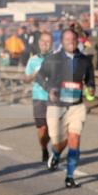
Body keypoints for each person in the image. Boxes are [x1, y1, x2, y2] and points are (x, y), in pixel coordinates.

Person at [38, 28, 96, 188]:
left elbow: (90, 80)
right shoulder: (53, 59)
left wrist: (91, 88)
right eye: (67, 39)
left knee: (74, 139)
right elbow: (40, 76)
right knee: (58, 142)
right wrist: (49, 89)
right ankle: (55, 154)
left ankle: (69, 177)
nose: (70, 41)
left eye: (73, 39)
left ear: (77, 41)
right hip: (56, 107)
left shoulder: (85, 60)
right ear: (62, 42)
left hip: (76, 106)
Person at [23, 32, 55, 162]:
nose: (45, 44)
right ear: (39, 43)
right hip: (39, 97)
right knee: (42, 128)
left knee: (53, 127)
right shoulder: (33, 60)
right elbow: (26, 79)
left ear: (52, 43)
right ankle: (44, 148)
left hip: (54, 98)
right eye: (43, 41)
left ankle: (55, 152)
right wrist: (34, 74)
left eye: (48, 41)